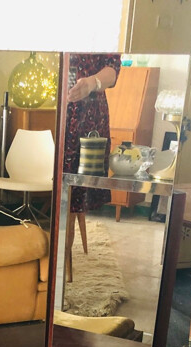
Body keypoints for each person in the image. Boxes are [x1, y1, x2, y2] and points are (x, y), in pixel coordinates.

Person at [63, 53, 120, 280]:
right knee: (58, 190)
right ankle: (54, 267)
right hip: (56, 106)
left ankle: (65, 270)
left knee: (76, 192)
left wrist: (92, 83)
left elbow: (113, 70)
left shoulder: (105, 27)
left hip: (89, 113)